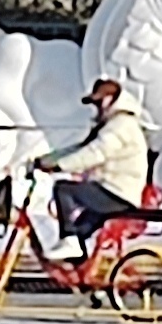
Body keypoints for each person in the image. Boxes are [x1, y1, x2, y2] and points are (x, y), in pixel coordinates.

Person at [31, 77, 150, 252]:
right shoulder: (111, 125)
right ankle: (79, 269)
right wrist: (46, 160)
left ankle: (69, 241)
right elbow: (81, 148)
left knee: (64, 189)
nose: (95, 108)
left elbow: (96, 153)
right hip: (110, 191)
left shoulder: (121, 125)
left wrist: (60, 166)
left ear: (110, 100)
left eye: (98, 102)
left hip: (117, 194)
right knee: (80, 233)